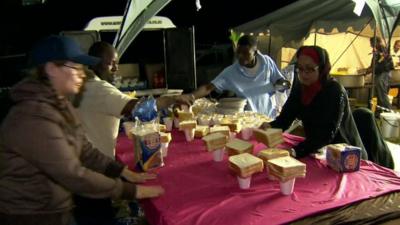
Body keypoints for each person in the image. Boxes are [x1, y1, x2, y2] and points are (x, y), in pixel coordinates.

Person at [0, 35, 164, 225]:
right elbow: (72, 173)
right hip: (31, 216)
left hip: (56, 209)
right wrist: (133, 191)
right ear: (52, 69)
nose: (83, 74)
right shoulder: (33, 116)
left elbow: (85, 149)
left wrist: (123, 171)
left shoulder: (59, 103)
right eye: (76, 67)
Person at [72, 41, 194, 225]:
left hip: (83, 165)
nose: (116, 68)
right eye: (111, 62)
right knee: (96, 216)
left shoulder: (82, 86)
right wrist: (173, 98)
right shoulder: (98, 88)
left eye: (117, 62)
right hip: (93, 170)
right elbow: (139, 110)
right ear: (95, 62)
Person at [262, 45, 368, 159]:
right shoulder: (301, 88)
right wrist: (269, 126)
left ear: (322, 68)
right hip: (317, 150)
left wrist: (296, 151)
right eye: (300, 69)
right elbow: (286, 117)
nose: (303, 74)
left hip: (346, 155)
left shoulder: (334, 91)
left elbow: (325, 135)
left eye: (310, 69)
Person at [191, 35, 290, 119]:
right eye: (238, 52)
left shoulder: (267, 62)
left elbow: (280, 81)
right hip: (248, 122)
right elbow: (208, 88)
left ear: (255, 53)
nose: (240, 56)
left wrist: (284, 84)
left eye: (245, 53)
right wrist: (191, 96)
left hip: (269, 118)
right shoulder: (231, 72)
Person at [368, 37, 393, 112]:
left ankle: (388, 111)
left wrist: (372, 69)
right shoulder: (378, 50)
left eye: (372, 43)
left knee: (382, 94)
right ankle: (380, 111)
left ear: (377, 42)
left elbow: (382, 63)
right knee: (379, 94)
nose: (371, 45)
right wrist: (370, 67)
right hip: (380, 73)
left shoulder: (383, 50)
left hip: (383, 73)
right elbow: (376, 61)